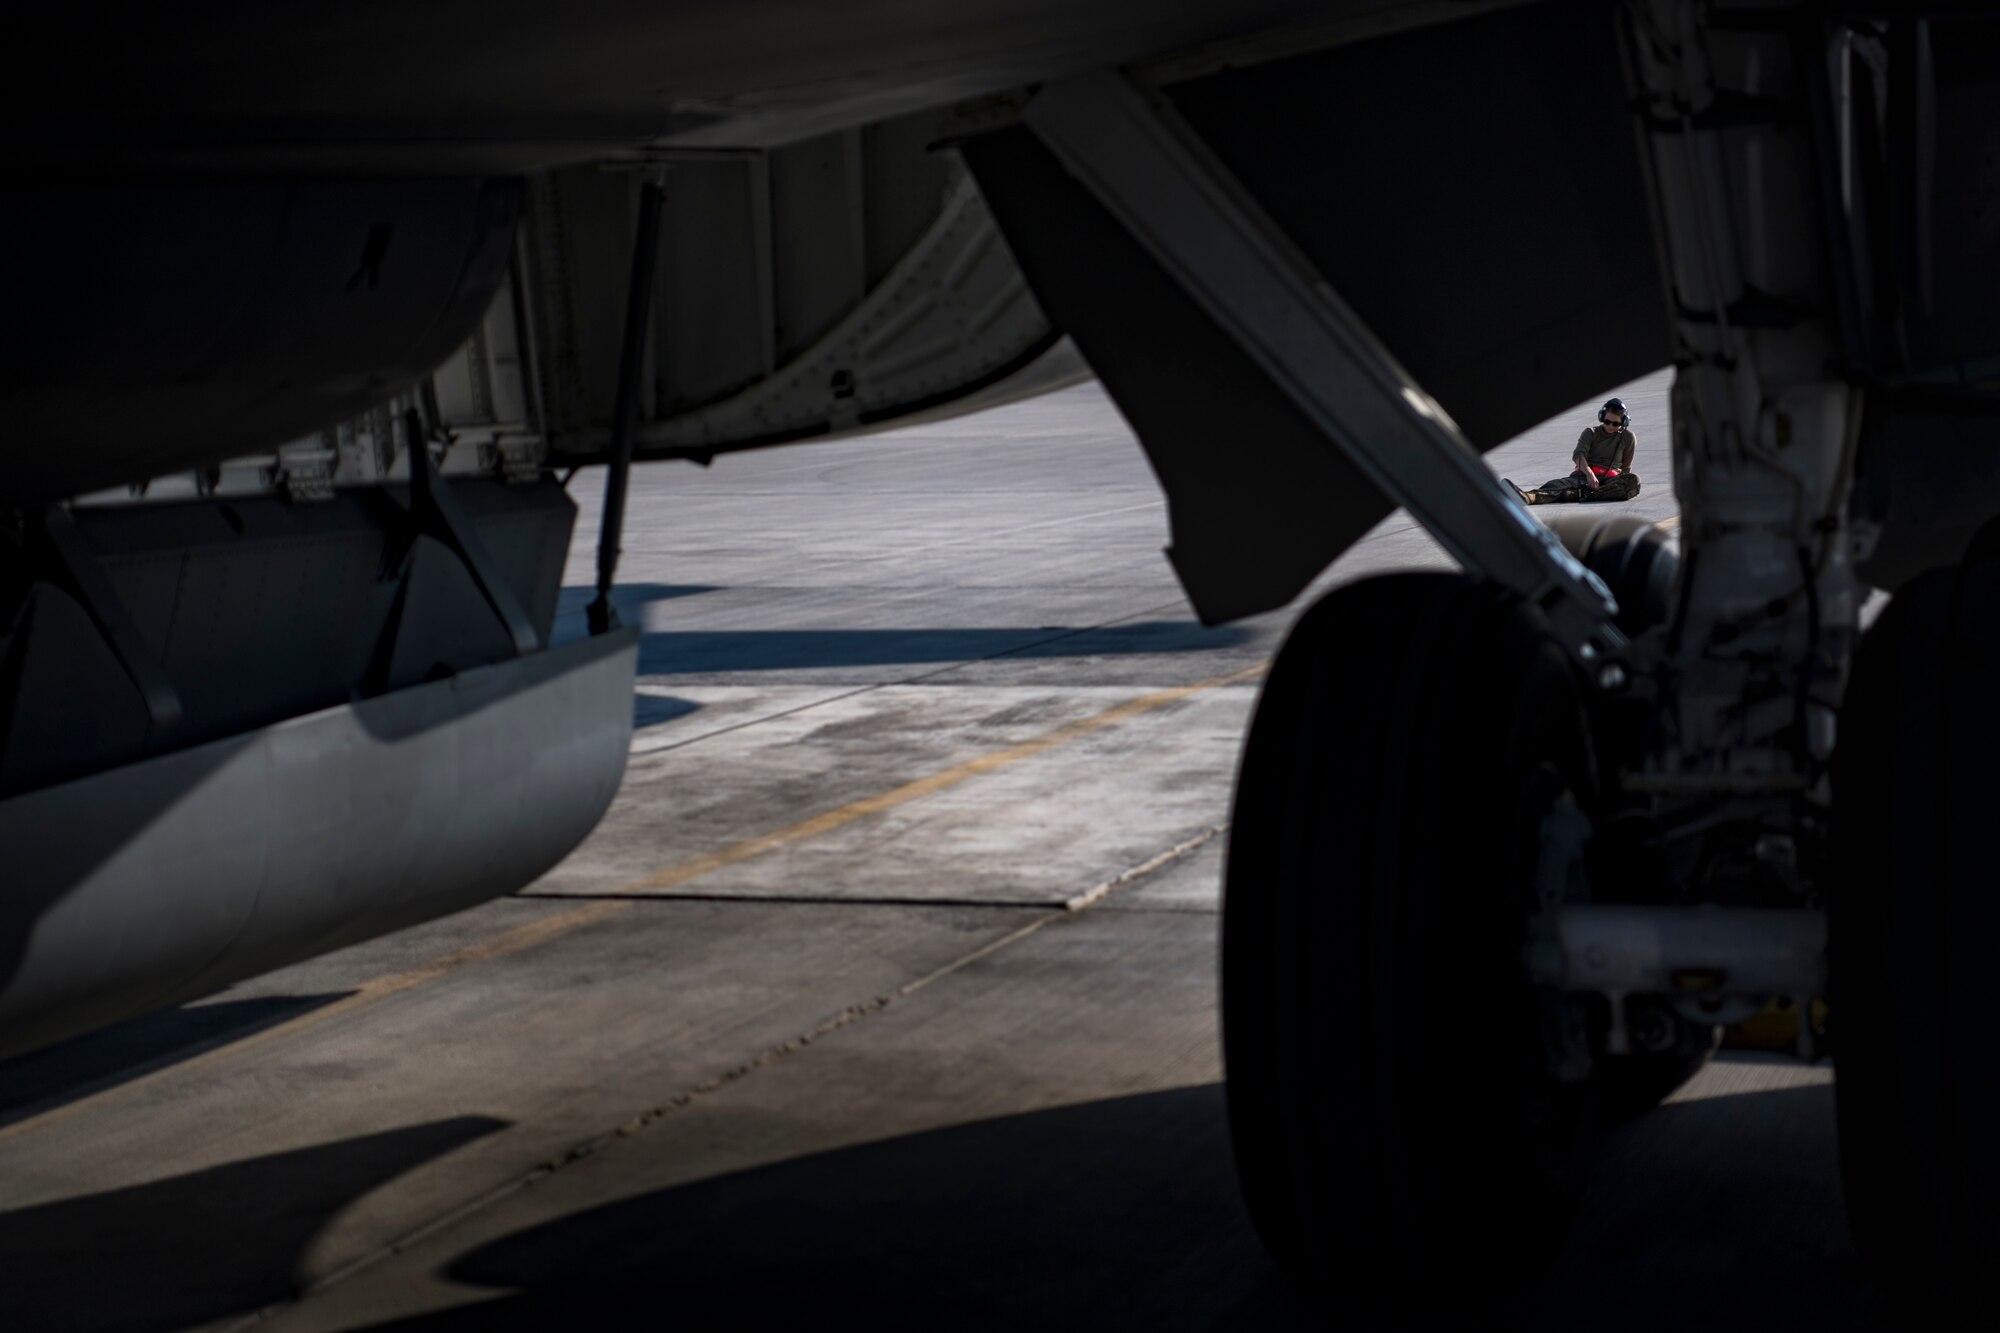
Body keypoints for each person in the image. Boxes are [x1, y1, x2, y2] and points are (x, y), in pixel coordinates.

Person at [1506, 398, 1641, 505]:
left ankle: (1586, 494)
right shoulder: (1591, 432)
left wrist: (1620, 485)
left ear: (1623, 422)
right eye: (1607, 421)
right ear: (1601, 417)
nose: (1610, 426)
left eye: (1615, 423)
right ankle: (1527, 497)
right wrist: (1589, 474)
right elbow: (1578, 455)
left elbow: (1626, 468)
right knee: (1557, 486)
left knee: (1634, 481)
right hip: (1584, 477)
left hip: (1610, 482)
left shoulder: (1628, 437)